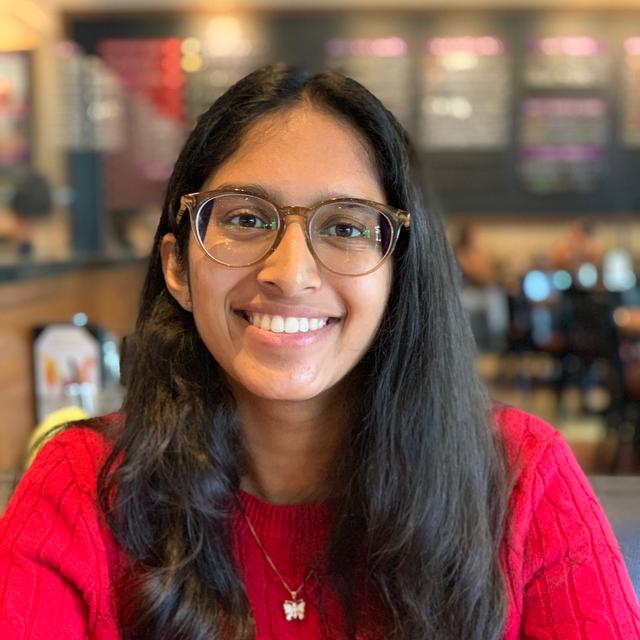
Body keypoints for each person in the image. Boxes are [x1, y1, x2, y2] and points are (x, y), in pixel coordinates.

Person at [0, 65, 638, 640]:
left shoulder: (524, 481)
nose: (290, 274)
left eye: (346, 226)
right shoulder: (81, 488)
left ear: (400, 274)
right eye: (245, 219)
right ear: (177, 267)